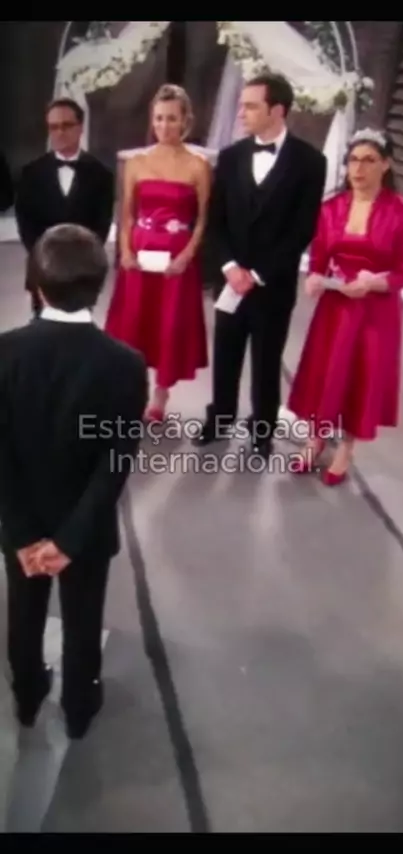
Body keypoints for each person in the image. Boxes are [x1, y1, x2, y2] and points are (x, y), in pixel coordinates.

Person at [0, 224, 147, 739]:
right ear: (99, 285)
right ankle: (80, 703)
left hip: (21, 522)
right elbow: (115, 462)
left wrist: (22, 534)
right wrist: (69, 540)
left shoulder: (5, 353)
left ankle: (27, 693)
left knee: (24, 612)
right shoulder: (124, 365)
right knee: (84, 616)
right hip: (85, 529)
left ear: (37, 285)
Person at [192, 72, 327, 459]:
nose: (241, 113)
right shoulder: (231, 157)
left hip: (273, 284)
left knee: (267, 360)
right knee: (225, 354)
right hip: (230, 279)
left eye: (250, 106)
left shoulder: (310, 162)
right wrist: (230, 267)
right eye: (242, 105)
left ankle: (262, 429)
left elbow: (302, 229)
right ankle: (219, 418)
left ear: (277, 110)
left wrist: (258, 273)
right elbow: (215, 220)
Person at [287, 128, 403, 484]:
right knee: (325, 373)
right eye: (353, 160)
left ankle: (346, 448)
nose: (358, 169)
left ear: (386, 164)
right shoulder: (331, 208)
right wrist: (315, 277)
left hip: (374, 312)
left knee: (360, 376)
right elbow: (319, 258)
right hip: (335, 307)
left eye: (369, 161)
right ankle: (315, 439)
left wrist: (373, 283)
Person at [105, 84, 211, 421]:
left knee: (169, 325)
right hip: (138, 255)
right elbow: (126, 214)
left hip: (176, 260)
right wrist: (124, 251)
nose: (164, 126)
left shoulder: (198, 166)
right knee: (133, 324)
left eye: (172, 119)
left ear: (185, 121)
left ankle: (161, 395)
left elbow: (202, 221)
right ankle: (131, 390)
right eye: (159, 118)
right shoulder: (136, 163)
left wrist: (186, 256)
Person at [14, 98, 115, 317]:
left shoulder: (102, 175)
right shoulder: (30, 173)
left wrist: (79, 261)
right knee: (41, 329)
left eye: (66, 125)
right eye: (53, 127)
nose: (59, 132)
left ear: (80, 127)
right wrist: (46, 259)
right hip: (42, 270)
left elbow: (101, 226)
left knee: (80, 329)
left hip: (83, 273)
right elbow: (26, 225)